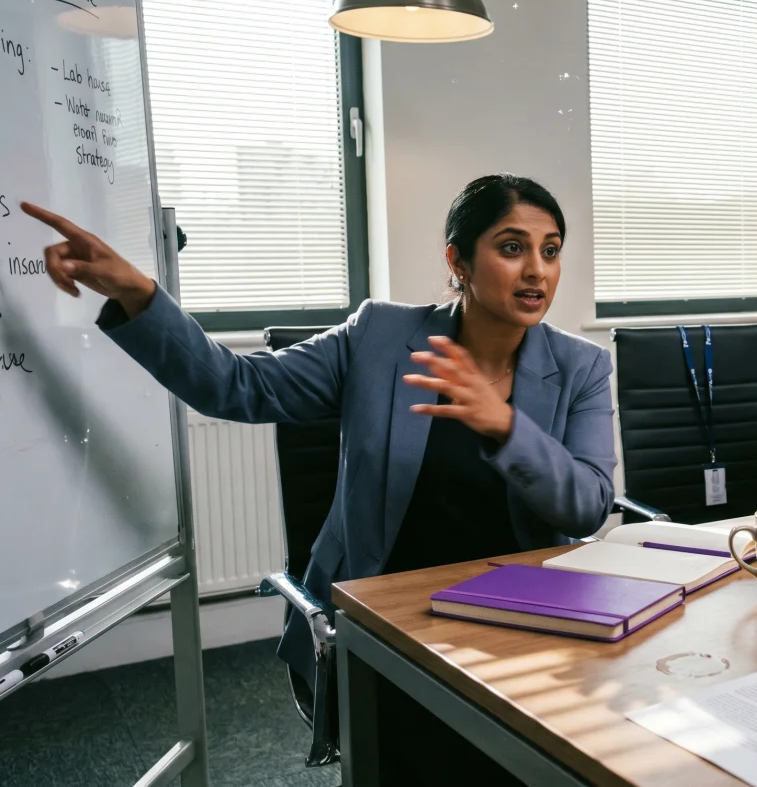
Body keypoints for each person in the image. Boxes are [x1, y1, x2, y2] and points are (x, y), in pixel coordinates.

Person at [21, 173, 616, 687]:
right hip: (387, 614)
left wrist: (504, 425)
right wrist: (138, 293)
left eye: (552, 250)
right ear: (457, 261)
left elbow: (587, 508)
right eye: (512, 247)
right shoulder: (379, 338)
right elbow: (237, 387)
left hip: (521, 618)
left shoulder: (581, 366)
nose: (537, 270)